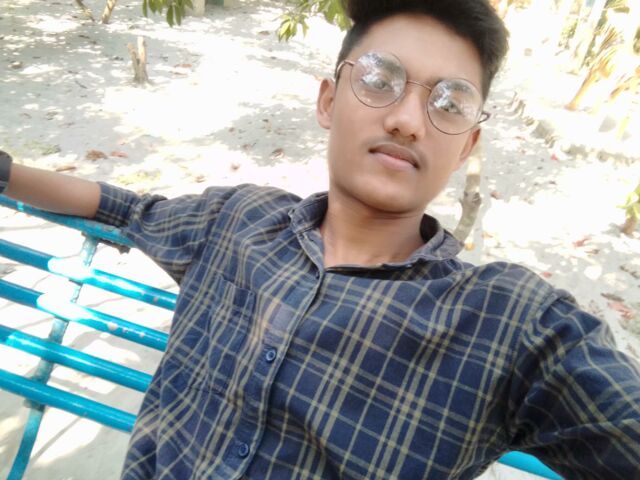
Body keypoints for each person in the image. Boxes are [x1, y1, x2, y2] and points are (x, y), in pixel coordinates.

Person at [1, 0, 639, 478]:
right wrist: (6, 172)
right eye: (381, 79)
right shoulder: (236, 219)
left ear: (468, 143)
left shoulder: (508, 325)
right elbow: (127, 206)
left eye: (449, 103)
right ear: (328, 101)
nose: (408, 120)